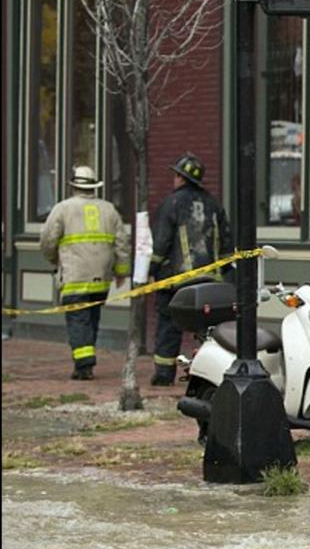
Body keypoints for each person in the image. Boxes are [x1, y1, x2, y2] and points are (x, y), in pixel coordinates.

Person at [39, 166, 130, 380]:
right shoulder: (109, 210)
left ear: (74, 186)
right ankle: (86, 359)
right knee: (92, 318)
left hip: (74, 276)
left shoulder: (63, 209)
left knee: (78, 320)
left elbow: (47, 240)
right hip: (101, 278)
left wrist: (54, 259)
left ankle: (83, 366)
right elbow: (122, 244)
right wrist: (121, 272)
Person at [149, 152, 231, 386]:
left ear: (180, 178)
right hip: (210, 283)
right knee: (208, 332)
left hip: (177, 281)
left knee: (169, 327)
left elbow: (161, 242)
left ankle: (164, 375)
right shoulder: (214, 204)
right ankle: (209, 376)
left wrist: (151, 270)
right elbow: (226, 243)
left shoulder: (171, 203)